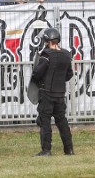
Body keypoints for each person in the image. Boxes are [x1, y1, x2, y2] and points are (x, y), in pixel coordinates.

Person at [32, 28, 74, 156]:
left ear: (47, 40)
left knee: (45, 121)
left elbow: (37, 73)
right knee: (62, 121)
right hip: (60, 93)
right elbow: (69, 74)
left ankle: (46, 150)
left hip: (47, 93)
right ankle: (69, 149)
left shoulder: (46, 55)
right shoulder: (66, 55)